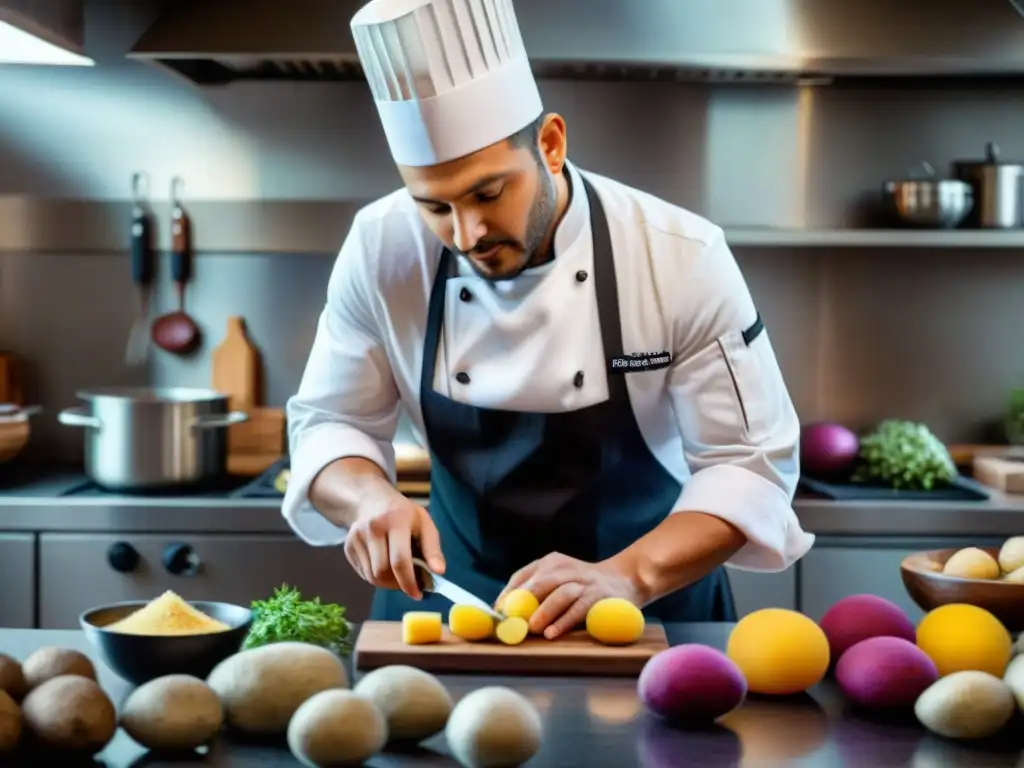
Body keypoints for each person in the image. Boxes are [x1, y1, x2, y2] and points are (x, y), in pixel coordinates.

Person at [282, 0, 814, 639]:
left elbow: (748, 465)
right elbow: (329, 422)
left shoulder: (678, 256)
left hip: (647, 609)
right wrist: (369, 498)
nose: (467, 234)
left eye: (488, 193)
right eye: (434, 207)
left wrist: (628, 577)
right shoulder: (381, 246)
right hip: (454, 608)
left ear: (551, 145)